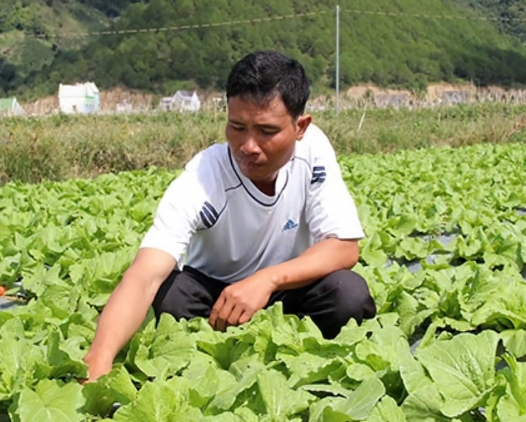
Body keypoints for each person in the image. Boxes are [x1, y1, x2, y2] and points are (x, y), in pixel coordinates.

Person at [83, 51, 376, 383]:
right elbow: (144, 274)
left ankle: (297, 350)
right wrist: (99, 357)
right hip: (215, 297)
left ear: (300, 127)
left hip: (287, 288)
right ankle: (219, 349)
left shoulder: (314, 151)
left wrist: (267, 281)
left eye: (266, 131)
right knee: (170, 296)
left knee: (348, 294)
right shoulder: (203, 177)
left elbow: (344, 247)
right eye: (237, 127)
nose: (248, 146)